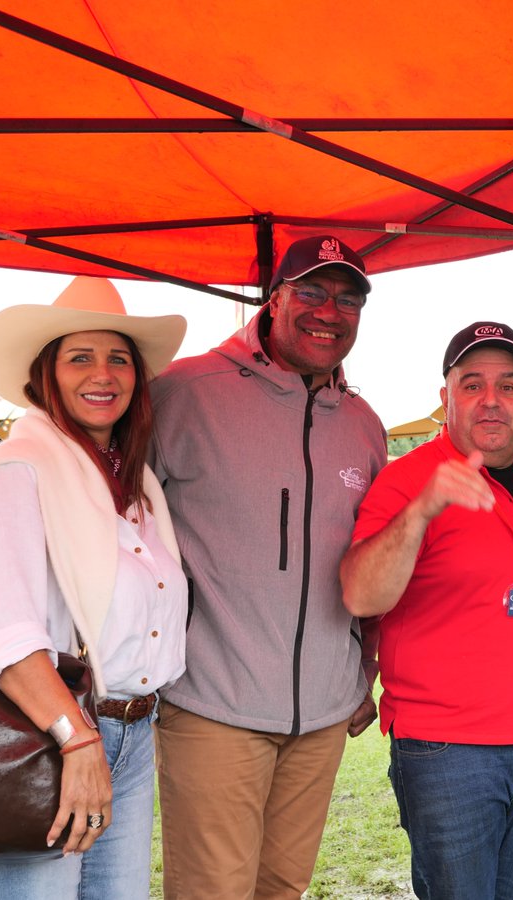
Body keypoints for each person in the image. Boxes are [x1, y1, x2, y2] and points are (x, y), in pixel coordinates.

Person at [150, 234, 387, 899]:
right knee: (213, 890)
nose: (328, 312)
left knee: (282, 886)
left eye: (347, 299)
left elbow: (372, 559)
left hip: (322, 716)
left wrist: (362, 670)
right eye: (310, 292)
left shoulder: (365, 424)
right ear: (274, 299)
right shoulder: (182, 393)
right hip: (211, 703)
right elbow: (122, 531)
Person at [341, 321, 513, 900]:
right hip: (447, 752)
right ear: (445, 397)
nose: (491, 399)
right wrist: (422, 512)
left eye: (508, 384)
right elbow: (360, 595)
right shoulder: (407, 480)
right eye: (472, 384)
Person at [0, 276, 187, 899]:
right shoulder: (20, 469)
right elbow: (6, 634)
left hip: (130, 733)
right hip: (51, 738)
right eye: (80, 357)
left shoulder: (134, 485)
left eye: (118, 358)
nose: (103, 373)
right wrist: (77, 740)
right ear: (48, 373)